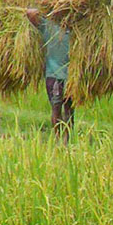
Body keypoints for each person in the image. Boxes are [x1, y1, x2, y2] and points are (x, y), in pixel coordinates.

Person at [26, 9, 74, 142]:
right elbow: (30, 13)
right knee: (56, 108)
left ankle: (67, 138)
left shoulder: (75, 28)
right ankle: (58, 138)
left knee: (70, 109)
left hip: (72, 77)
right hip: (54, 76)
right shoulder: (48, 26)